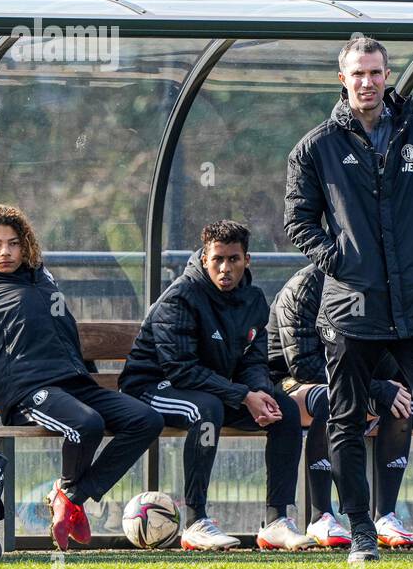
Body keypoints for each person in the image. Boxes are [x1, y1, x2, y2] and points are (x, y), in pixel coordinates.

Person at [284, 35, 413, 563]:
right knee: (347, 421)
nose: (368, 82)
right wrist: (341, 261)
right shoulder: (316, 147)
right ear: (342, 79)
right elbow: (297, 221)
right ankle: (361, 534)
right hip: (351, 308)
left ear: (388, 74)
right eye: (358, 74)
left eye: (376, 73)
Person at [0, 204, 162, 551]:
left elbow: (66, 332)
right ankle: (69, 497)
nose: (5, 252)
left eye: (13, 244)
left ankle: (71, 495)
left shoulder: (42, 280)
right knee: (87, 424)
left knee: (146, 419)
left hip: (74, 382)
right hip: (29, 390)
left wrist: (87, 375)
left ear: (25, 245)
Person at [119, 220, 307, 551]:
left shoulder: (253, 301)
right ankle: (195, 522)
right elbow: (181, 370)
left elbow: (252, 361)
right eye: (217, 259)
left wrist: (259, 392)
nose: (225, 268)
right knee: (206, 410)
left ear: (247, 260)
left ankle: (277, 520)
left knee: (286, 410)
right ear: (205, 258)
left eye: (233, 259)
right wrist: (243, 395)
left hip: (215, 389)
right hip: (154, 386)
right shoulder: (182, 296)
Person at [266, 262, 413, 548]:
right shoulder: (303, 287)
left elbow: (390, 357)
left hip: (353, 381)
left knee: (401, 400)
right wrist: (374, 387)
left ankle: (385, 516)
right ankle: (321, 516)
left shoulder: (377, 286)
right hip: (289, 382)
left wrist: (389, 386)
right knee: (331, 399)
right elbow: (303, 365)